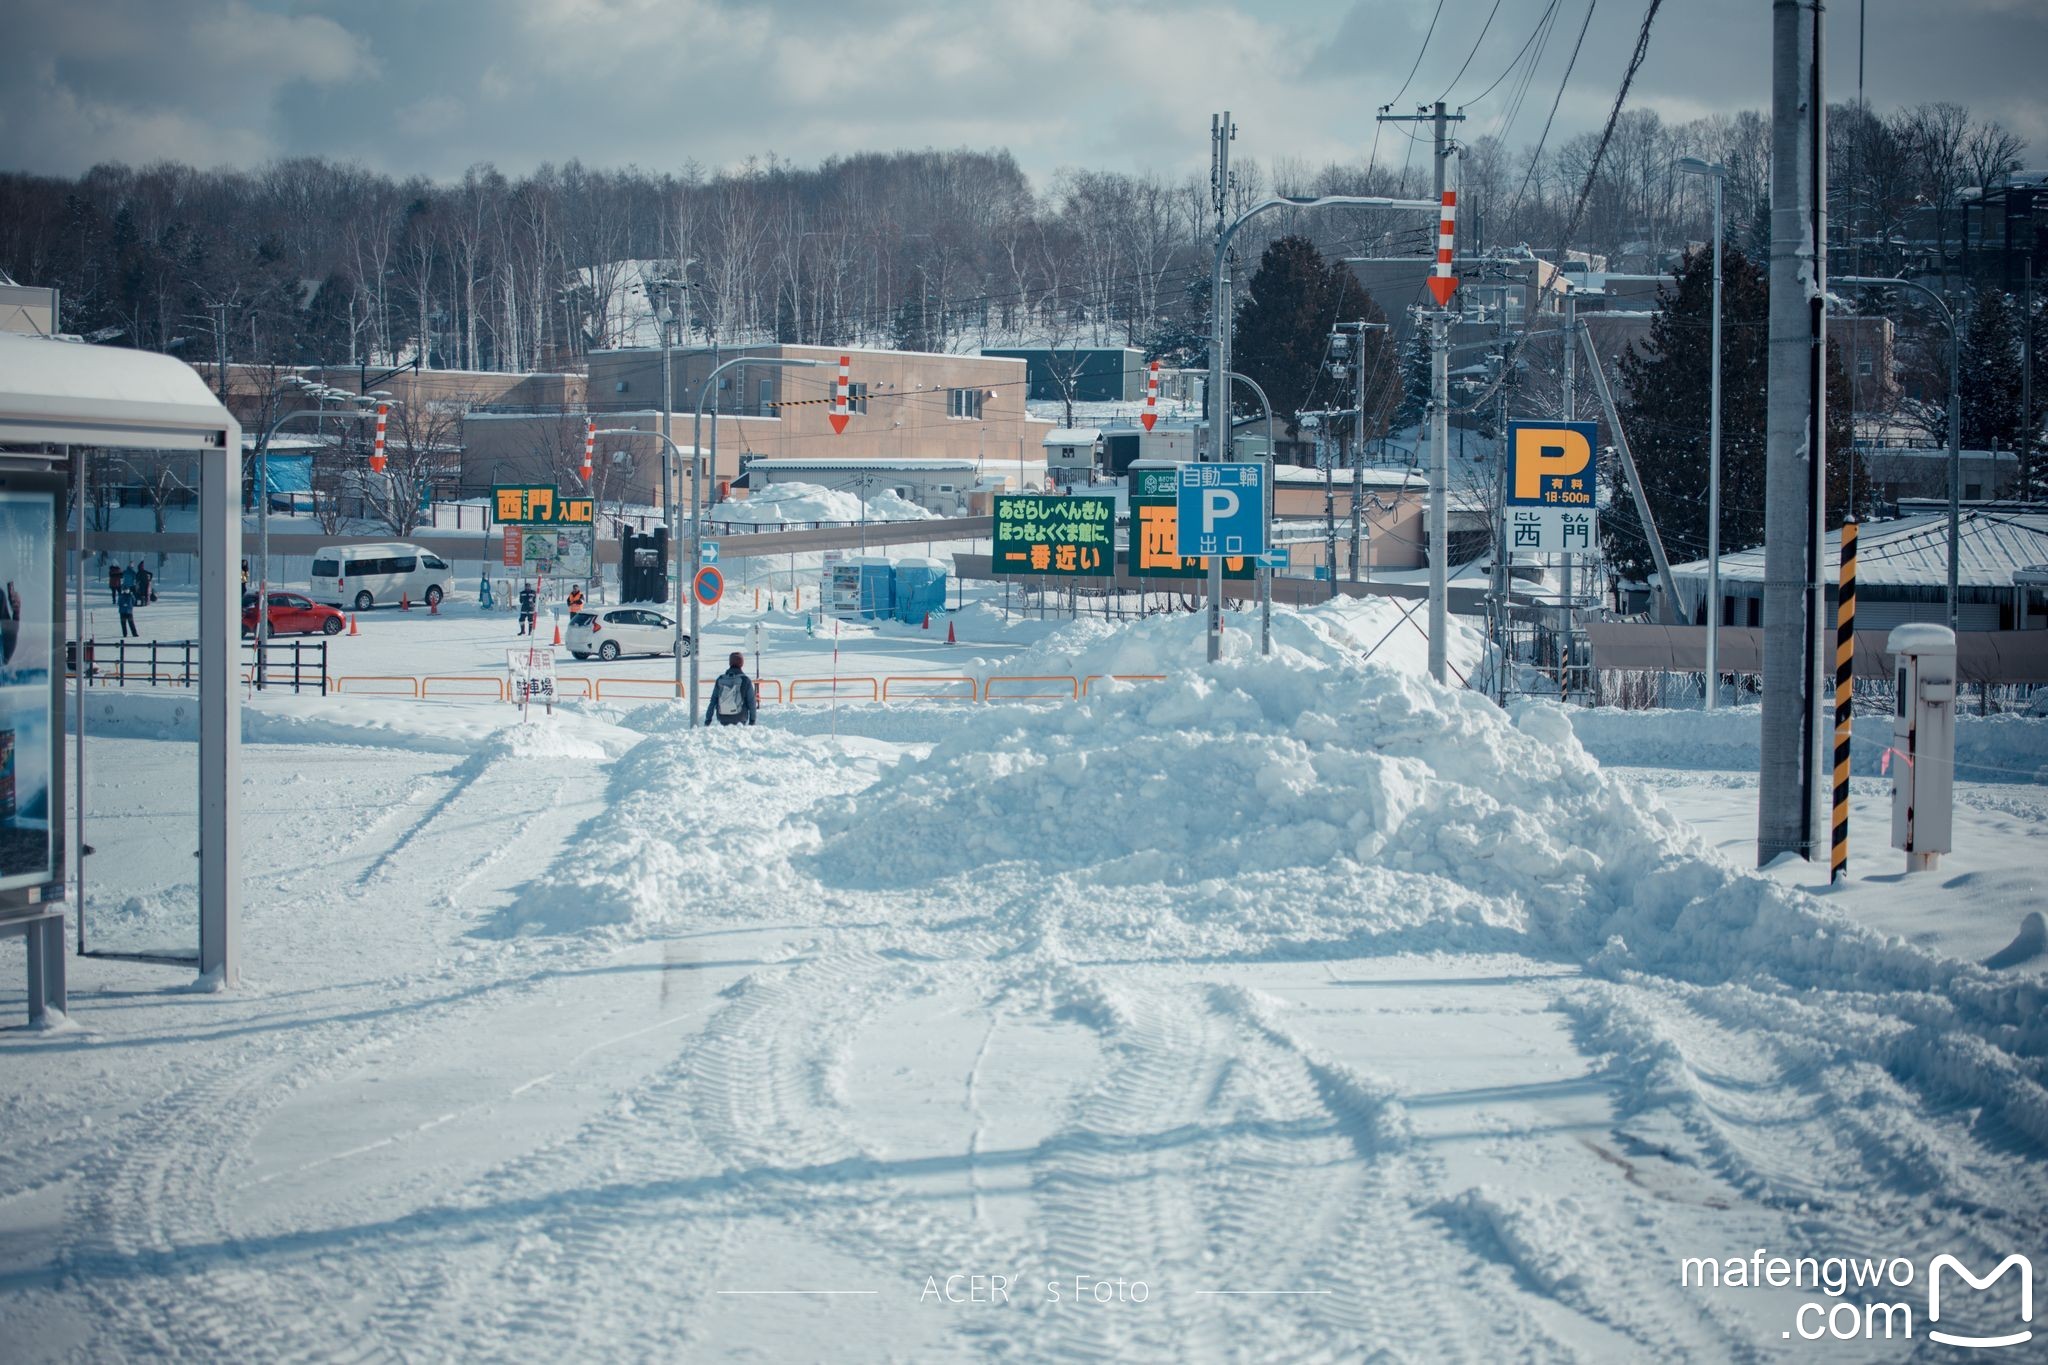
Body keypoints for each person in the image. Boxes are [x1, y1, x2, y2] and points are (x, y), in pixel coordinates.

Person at [705, 651, 756, 727]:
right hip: (740, 717)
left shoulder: (720, 679)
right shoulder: (745, 680)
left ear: (730, 663)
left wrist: (708, 719)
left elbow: (713, 701)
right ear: (742, 664)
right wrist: (752, 720)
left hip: (722, 717)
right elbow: (751, 702)